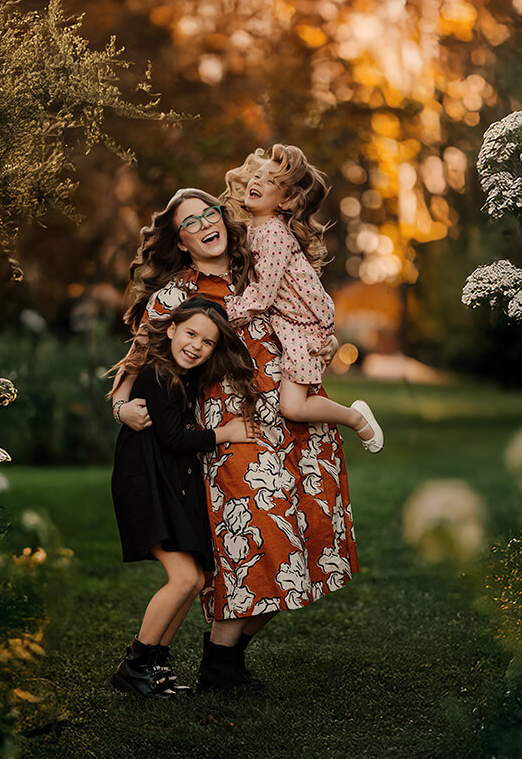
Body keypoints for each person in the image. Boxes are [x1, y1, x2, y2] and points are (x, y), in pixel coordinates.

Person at [111, 188, 358, 694]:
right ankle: (214, 663)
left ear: (223, 217)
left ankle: (223, 663)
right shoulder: (176, 296)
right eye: (190, 221)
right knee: (263, 547)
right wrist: (120, 405)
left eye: (210, 212)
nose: (205, 223)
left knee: (309, 546)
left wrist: (325, 343)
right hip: (235, 432)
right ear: (179, 241)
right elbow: (135, 364)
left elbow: (311, 320)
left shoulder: (262, 266)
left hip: (297, 423)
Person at [107, 296, 260, 699]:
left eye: (207, 342)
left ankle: (155, 663)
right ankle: (135, 665)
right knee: (184, 578)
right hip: (145, 486)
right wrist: (225, 434)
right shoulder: (159, 374)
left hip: (165, 485)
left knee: (194, 580)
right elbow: (173, 438)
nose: (196, 345)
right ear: (172, 329)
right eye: (190, 333)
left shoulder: (180, 375)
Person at [223, 144, 383, 453]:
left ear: (284, 200)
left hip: (304, 327)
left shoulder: (274, 234)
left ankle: (355, 417)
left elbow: (261, 296)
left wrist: (223, 312)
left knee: (294, 407)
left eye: (270, 181)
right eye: (258, 176)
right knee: (293, 404)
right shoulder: (254, 230)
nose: (257, 182)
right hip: (290, 322)